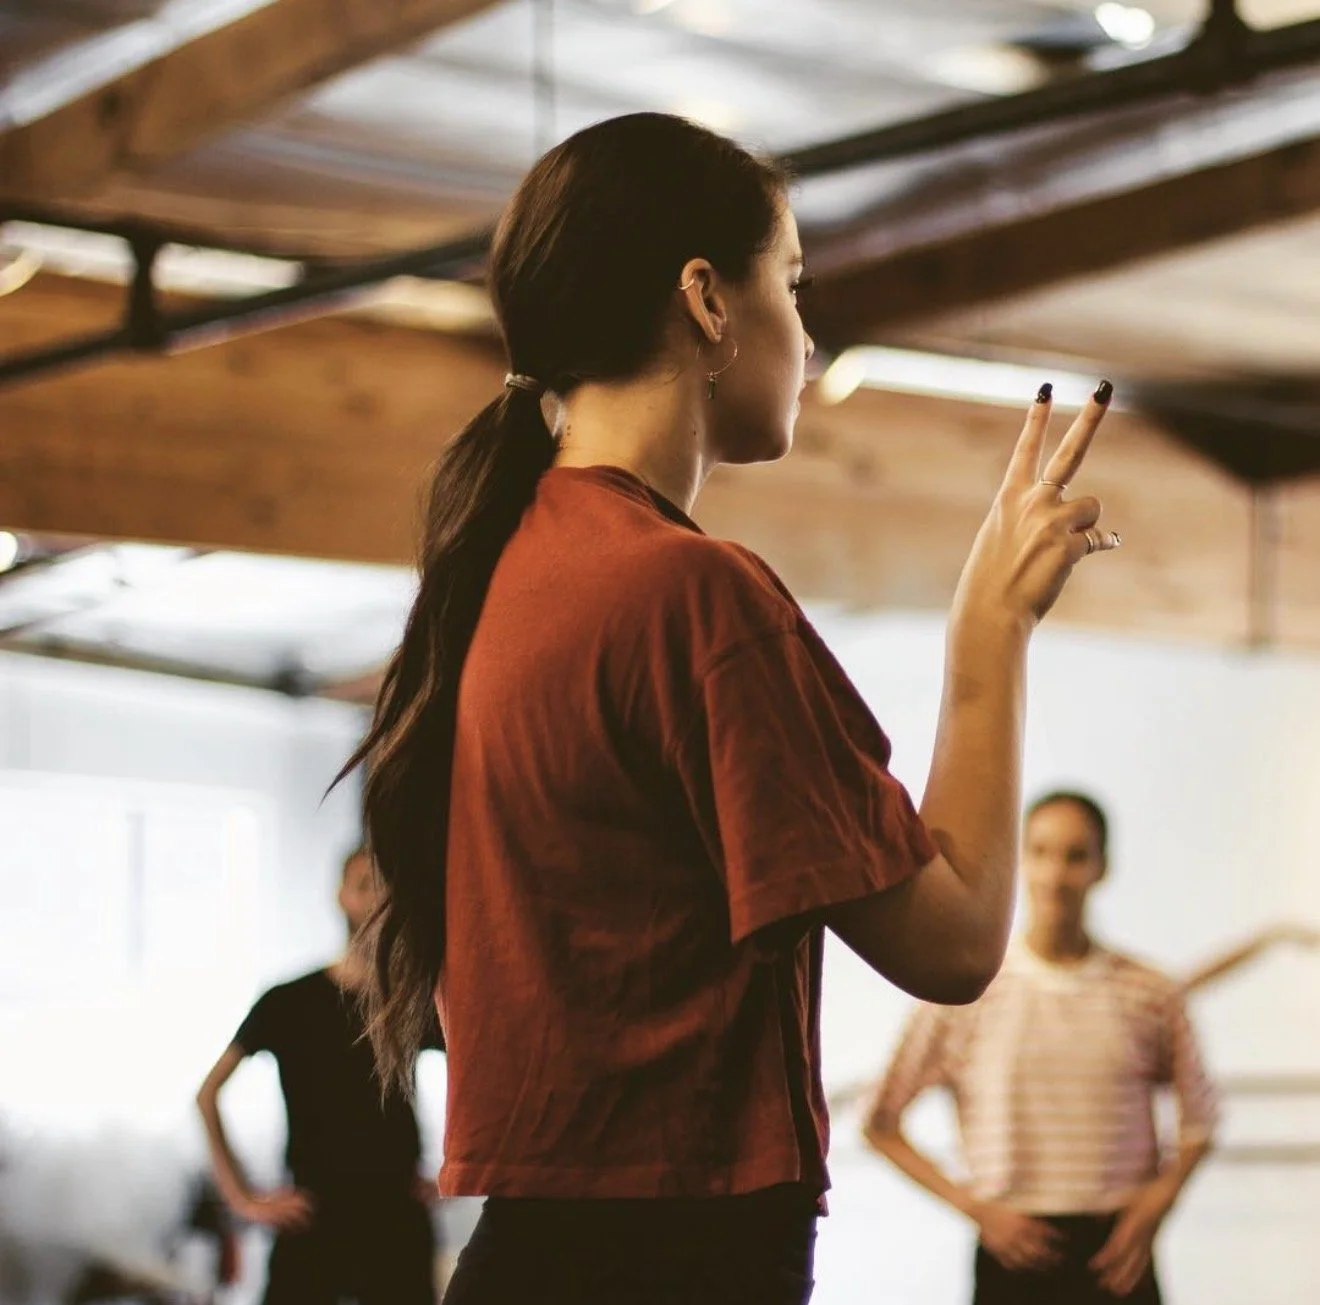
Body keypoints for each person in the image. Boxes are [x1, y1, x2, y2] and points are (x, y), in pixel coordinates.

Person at [339, 111, 1121, 1305]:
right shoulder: (687, 593)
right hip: (670, 1265)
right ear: (707, 299)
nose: (805, 337)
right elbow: (957, 940)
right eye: (792, 285)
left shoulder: (506, 567)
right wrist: (990, 626)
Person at [863, 792, 1219, 1304]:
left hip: (1116, 1253)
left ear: (1101, 866)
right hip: (1013, 1251)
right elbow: (880, 1122)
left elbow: (1200, 1120)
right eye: (1042, 852)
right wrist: (977, 1209)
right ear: (1021, 859)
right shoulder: (966, 994)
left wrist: (1153, 1206)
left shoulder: (1150, 993)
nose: (1056, 874)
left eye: (1076, 856)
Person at [195, 846, 443, 1305]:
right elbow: (207, 1094)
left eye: (389, 889)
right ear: (341, 896)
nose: (377, 900)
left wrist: (455, 1172)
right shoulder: (288, 1002)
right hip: (312, 1215)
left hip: (397, 1219)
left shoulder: (414, 1004)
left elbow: (487, 1082)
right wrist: (244, 1198)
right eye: (366, 885)